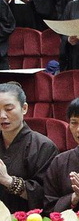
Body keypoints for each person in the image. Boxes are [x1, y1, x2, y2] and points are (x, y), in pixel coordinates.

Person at [0, 81, 56, 210]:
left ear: (24, 108)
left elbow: (48, 195)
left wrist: (8, 181)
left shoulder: (43, 146)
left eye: (8, 109)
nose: (2, 116)